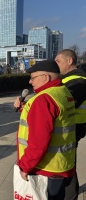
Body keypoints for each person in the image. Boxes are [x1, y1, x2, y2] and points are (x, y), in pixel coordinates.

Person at [14, 59, 76, 200]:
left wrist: (25, 167)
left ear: (46, 77)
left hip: (46, 169)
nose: (30, 82)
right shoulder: (62, 92)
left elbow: (38, 143)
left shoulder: (43, 100)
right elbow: (53, 119)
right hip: (62, 164)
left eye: (33, 78)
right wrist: (24, 107)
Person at [55, 49, 86, 200]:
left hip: (74, 126)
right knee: (68, 160)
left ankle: (70, 195)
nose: (56, 65)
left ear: (70, 61)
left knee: (67, 162)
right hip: (72, 125)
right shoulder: (69, 78)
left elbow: (65, 103)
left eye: (58, 61)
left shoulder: (79, 80)